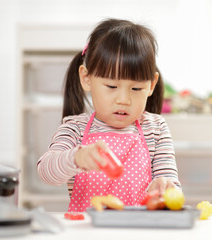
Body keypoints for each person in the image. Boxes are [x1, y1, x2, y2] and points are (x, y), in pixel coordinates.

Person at [37, 18, 181, 212]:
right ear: (87, 78)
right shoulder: (75, 128)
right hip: (87, 231)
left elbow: (173, 187)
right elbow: (46, 172)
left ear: (151, 85)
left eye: (136, 88)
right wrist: (77, 158)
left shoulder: (156, 129)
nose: (124, 99)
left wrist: (165, 188)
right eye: (112, 86)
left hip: (140, 230)